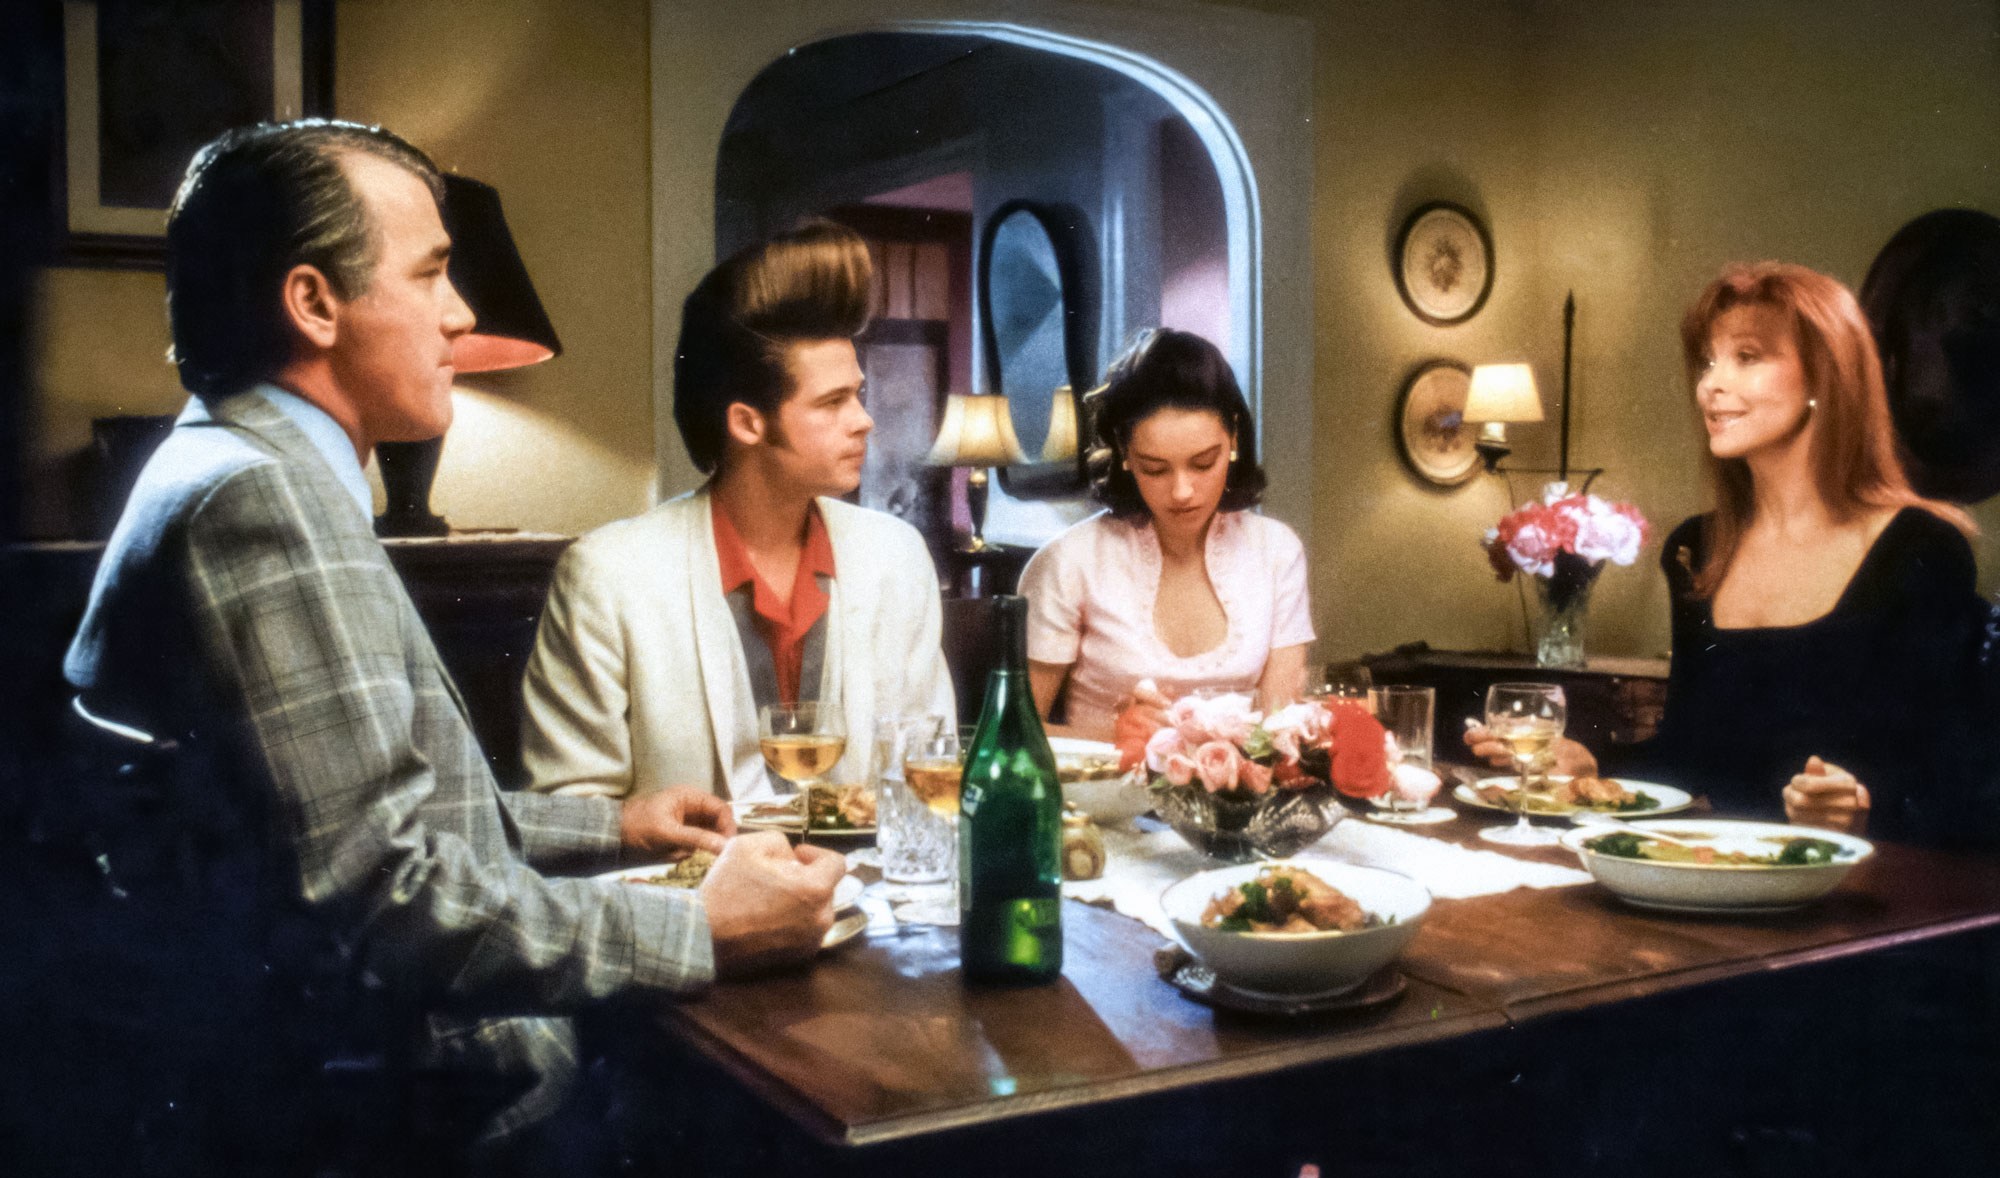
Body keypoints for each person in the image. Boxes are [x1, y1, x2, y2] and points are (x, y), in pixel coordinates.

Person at [61, 119, 843, 1158]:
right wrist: (700, 926)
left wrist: (617, 825)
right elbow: (380, 896)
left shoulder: (218, 465)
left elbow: (347, 819)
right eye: (431, 273)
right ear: (313, 303)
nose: (462, 314)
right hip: (441, 1113)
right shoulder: (265, 502)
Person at [1468, 261, 1987, 846]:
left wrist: (1861, 811)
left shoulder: (1919, 547)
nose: (1710, 385)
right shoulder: (1696, 549)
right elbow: (1687, 757)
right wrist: (1591, 764)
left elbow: (1955, 786)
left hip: (1864, 884)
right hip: (1724, 870)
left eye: (1747, 357)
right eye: (1708, 361)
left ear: (1824, 377)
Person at [519, 220, 953, 802]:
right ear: (747, 422)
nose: (863, 420)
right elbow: (573, 806)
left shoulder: (895, 556)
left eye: (859, 395)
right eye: (831, 402)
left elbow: (929, 764)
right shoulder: (609, 576)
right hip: (693, 865)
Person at [1018, 328, 1313, 740]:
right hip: (1103, 781)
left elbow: (1279, 728)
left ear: (1233, 437)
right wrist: (1112, 737)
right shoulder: (1071, 561)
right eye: (1155, 468)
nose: (1182, 492)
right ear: (1123, 451)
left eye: (1203, 463)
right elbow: (1011, 735)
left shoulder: (1276, 551)